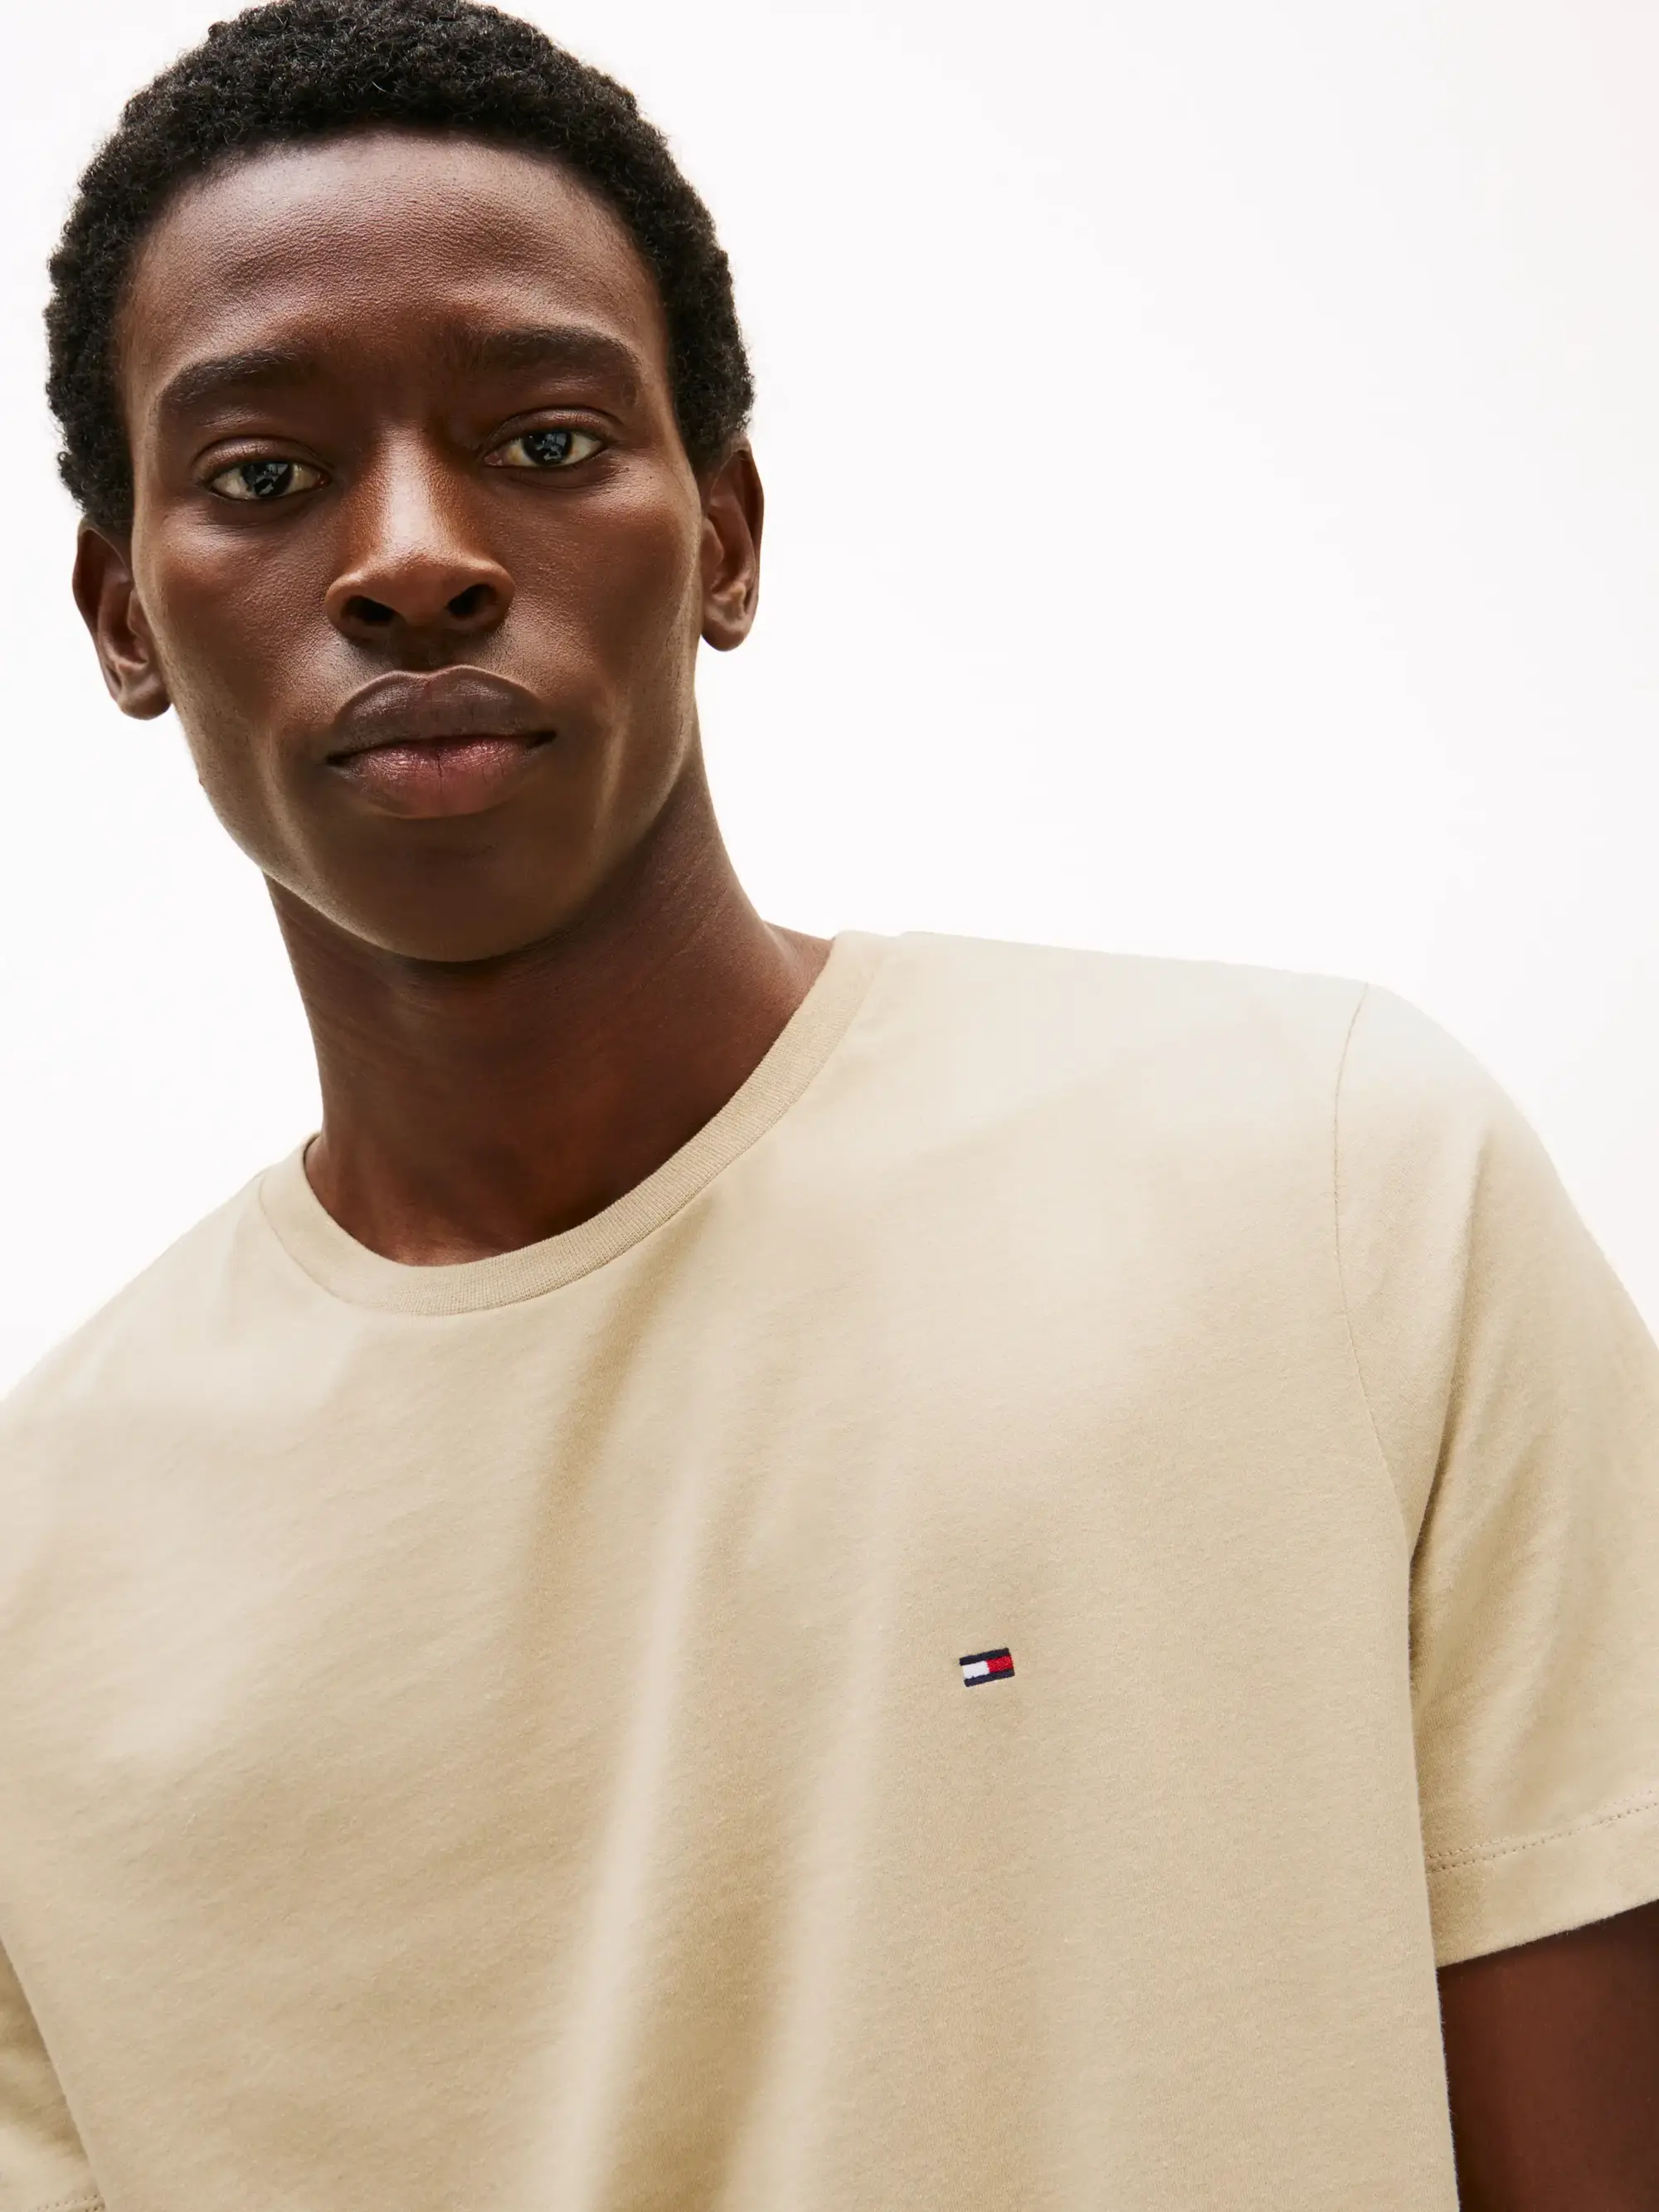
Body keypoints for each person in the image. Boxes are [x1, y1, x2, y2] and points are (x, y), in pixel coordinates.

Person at [2, 0, 1655, 2204]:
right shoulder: (37, 1585)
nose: (412, 556)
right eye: (263, 479)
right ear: (122, 611)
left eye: (548, 439)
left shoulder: (1339, 1182)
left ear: (728, 533)